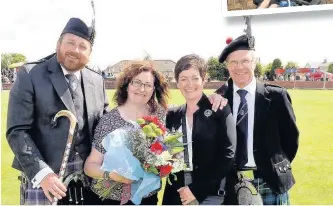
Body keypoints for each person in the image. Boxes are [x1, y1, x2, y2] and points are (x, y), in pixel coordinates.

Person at [6, 17, 109, 205]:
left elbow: (105, 126)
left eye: (82, 46)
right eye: (70, 43)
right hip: (47, 180)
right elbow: (17, 131)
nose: (75, 50)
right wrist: (42, 173)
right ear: (58, 44)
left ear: (90, 53)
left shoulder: (97, 80)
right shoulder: (30, 75)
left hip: (89, 183)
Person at [215, 34, 299, 205]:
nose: (239, 67)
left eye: (245, 61)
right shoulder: (219, 100)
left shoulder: (276, 96)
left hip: (271, 181)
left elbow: (291, 139)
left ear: (254, 62)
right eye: (233, 62)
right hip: (233, 183)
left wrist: (274, 165)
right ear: (227, 66)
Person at [84, 60, 169, 205]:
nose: (142, 89)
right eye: (136, 82)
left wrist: (163, 164)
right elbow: (90, 166)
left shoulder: (160, 116)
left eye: (147, 85)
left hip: (146, 199)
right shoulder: (109, 120)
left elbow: (167, 151)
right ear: (127, 85)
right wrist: (112, 175)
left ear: (153, 90)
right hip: (110, 199)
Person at [162, 54, 237, 205]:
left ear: (204, 79)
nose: (189, 84)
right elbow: (168, 154)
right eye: (183, 79)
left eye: (195, 78)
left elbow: (228, 154)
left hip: (211, 194)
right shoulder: (172, 115)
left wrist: (196, 190)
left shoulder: (219, 108)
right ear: (177, 82)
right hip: (177, 194)